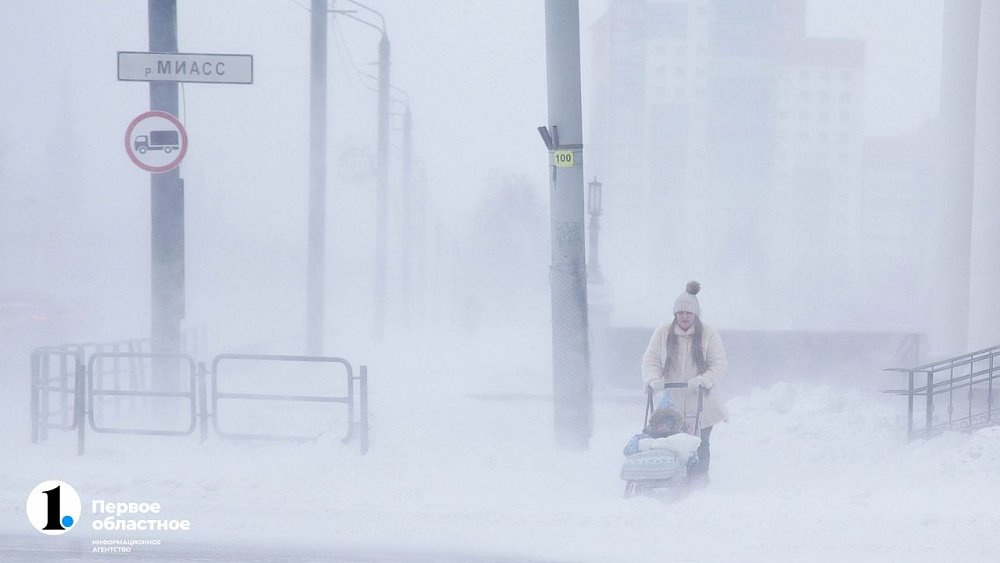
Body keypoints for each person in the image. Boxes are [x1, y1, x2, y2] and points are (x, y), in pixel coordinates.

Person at [641, 280, 728, 485]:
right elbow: (650, 359)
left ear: (695, 314)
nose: (684, 317)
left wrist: (704, 379)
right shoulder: (663, 332)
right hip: (672, 401)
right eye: (680, 313)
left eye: (688, 313)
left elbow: (719, 363)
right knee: (671, 442)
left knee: (700, 441)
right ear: (675, 314)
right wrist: (653, 379)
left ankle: (698, 480)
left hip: (702, 400)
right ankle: (670, 477)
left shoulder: (708, 334)